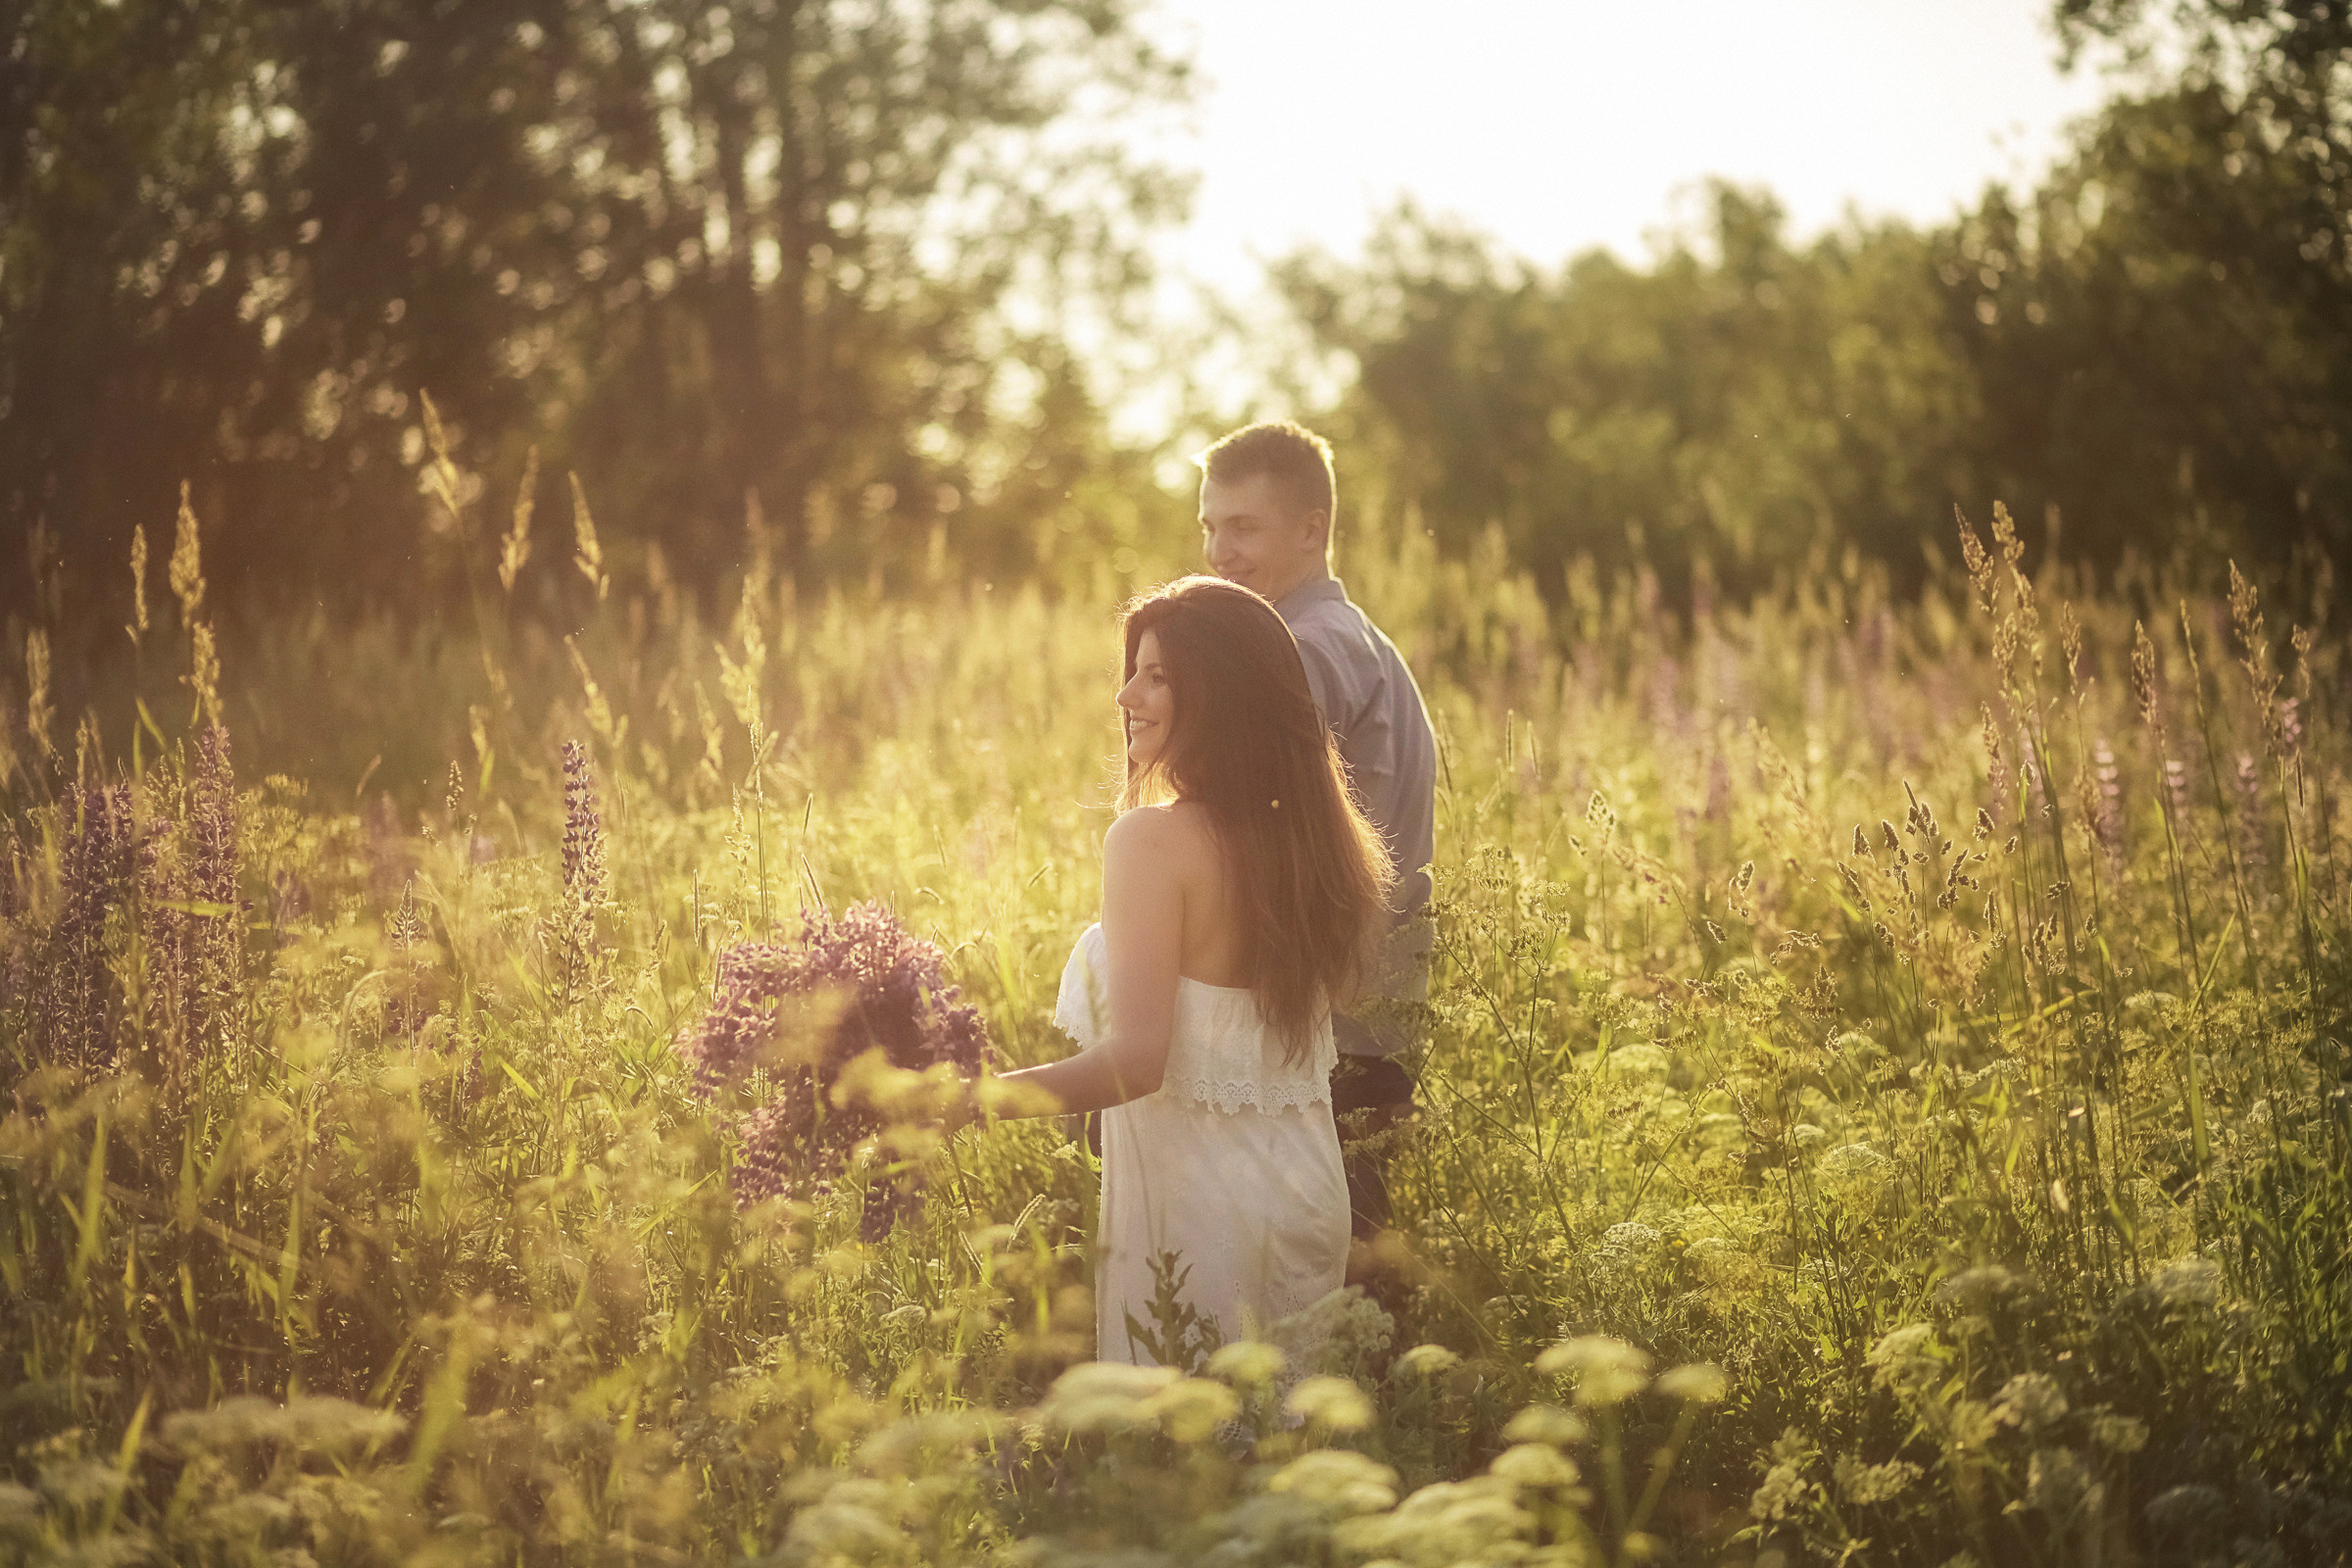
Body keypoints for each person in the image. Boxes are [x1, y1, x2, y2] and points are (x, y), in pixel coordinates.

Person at [956, 575, 1396, 1365]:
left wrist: (965, 1103)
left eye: (1158, 676)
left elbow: (1135, 1063)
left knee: (1187, 1462)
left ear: (1220, 695)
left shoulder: (1150, 842)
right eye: (1134, 671)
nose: (1125, 694)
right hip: (1302, 1196)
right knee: (1289, 1461)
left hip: (1201, 1219)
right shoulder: (1314, 841)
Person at [1195, 420, 1438, 1253]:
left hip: (1329, 1021)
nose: (1219, 551)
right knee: (1356, 1269)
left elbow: (1231, 830)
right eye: (1210, 526)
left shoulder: (1299, 651)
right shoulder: (1362, 641)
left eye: (1244, 527)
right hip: (1377, 1012)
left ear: (1313, 529)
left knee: (1316, 1277)